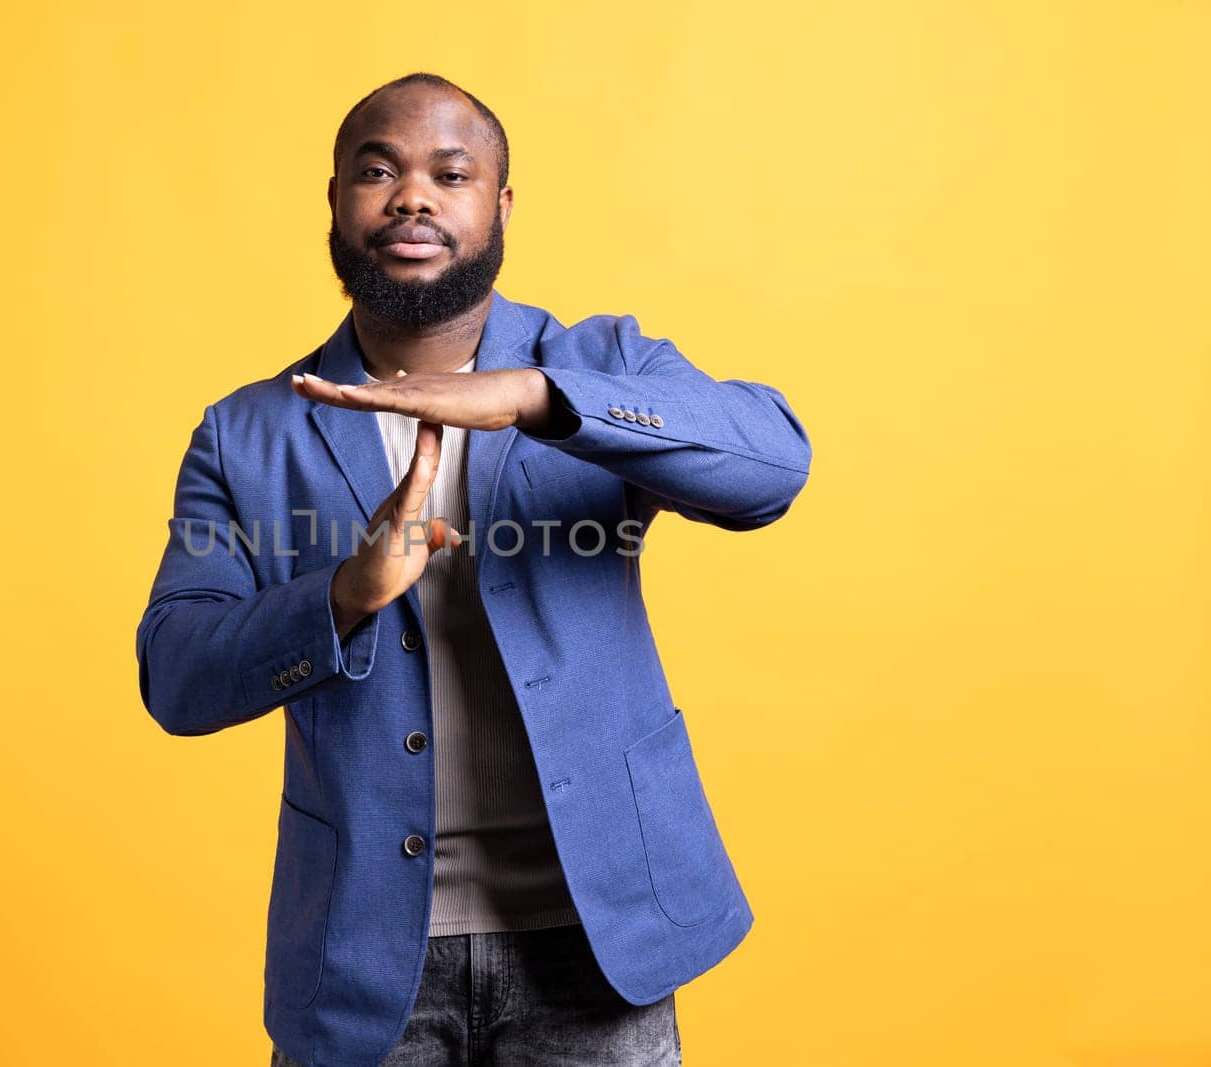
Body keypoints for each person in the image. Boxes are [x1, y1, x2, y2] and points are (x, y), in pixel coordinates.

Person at [135, 71, 813, 1067]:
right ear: (334, 201)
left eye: (448, 174)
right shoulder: (246, 432)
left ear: (497, 207)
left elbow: (771, 462)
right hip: (364, 962)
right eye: (378, 170)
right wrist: (345, 592)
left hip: (599, 943)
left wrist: (543, 399)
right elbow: (177, 674)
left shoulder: (600, 364)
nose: (411, 195)